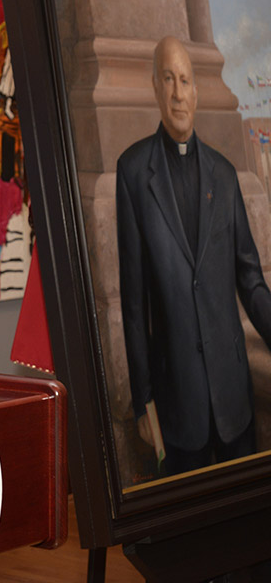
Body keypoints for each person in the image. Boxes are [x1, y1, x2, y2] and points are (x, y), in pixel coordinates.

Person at [117, 36, 271, 476]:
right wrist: (144, 399)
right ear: (154, 87)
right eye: (168, 79)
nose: (178, 93)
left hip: (234, 397)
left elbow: (251, 281)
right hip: (176, 405)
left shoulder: (224, 175)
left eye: (185, 80)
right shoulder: (131, 172)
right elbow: (133, 303)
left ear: (197, 93)